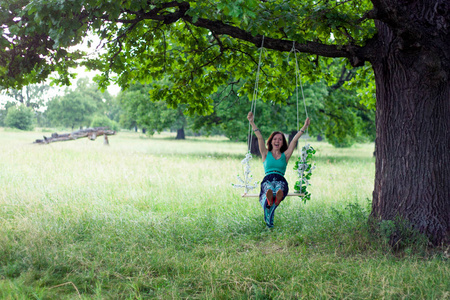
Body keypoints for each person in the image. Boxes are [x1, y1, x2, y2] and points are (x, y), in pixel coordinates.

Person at [247, 111, 310, 228]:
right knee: (269, 188)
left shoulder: (285, 155)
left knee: (280, 187)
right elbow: (259, 138)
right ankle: (271, 200)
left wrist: (304, 127)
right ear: (271, 141)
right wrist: (252, 122)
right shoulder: (265, 153)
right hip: (268, 179)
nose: (277, 141)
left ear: (282, 143)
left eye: (280, 139)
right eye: (275, 139)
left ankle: (276, 198)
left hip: (280, 179)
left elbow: (294, 141)